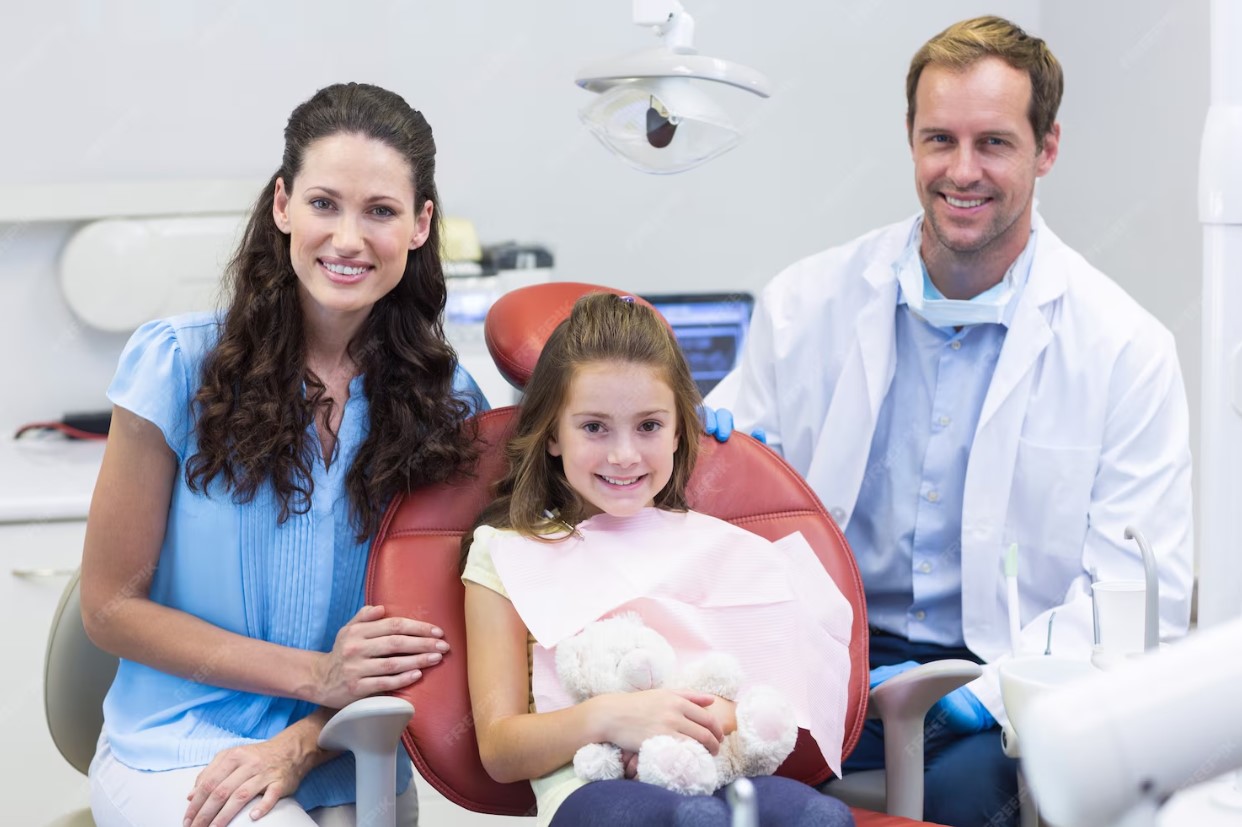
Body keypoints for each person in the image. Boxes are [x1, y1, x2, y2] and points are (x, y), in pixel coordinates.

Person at [705, 16, 1194, 827]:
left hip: (998, 690)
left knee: (974, 802)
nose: (962, 171)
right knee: (705, 792)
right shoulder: (807, 306)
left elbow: (1137, 598)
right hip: (824, 670)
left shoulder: (1124, 349)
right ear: (910, 139)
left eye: (994, 143)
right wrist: (696, 460)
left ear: (1047, 149)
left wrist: (987, 694)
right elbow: (735, 514)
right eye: (940, 139)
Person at [80, 82, 488, 827]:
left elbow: (435, 632)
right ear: (282, 206)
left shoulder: (450, 401)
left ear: (421, 224)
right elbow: (109, 607)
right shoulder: (176, 365)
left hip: (351, 749)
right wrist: (319, 674)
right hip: (181, 747)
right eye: (324, 203)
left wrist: (698, 434)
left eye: (381, 211)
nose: (348, 238)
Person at [461, 293, 857, 827]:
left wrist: (726, 717)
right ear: (552, 432)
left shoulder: (713, 544)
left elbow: (770, 703)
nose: (624, 455)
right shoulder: (506, 553)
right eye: (594, 427)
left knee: (820, 817)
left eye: (649, 426)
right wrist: (613, 717)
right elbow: (500, 750)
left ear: (678, 430)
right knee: (694, 822)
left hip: (717, 768)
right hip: (589, 784)